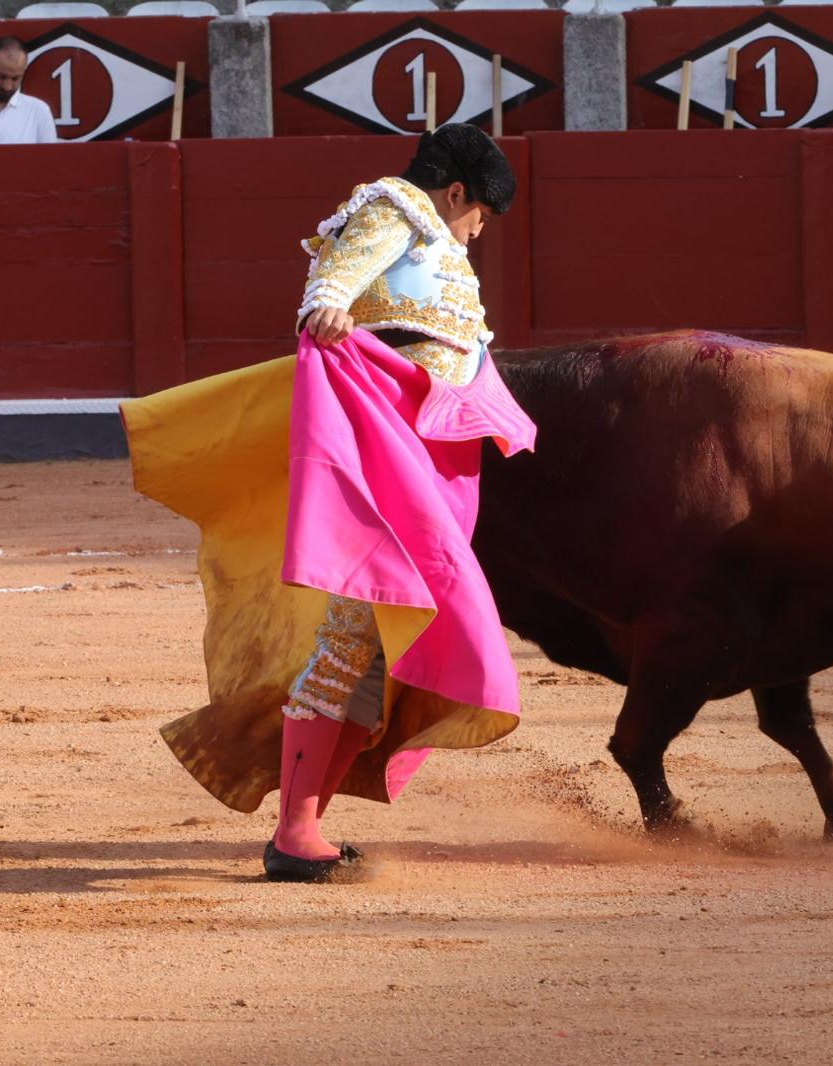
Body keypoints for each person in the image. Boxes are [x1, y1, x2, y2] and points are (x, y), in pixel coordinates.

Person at [121, 124, 537, 883]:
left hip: (424, 455)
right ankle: (292, 832)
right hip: (387, 451)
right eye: (480, 215)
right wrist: (329, 309)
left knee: (381, 646)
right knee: (355, 633)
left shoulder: (435, 241)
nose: (478, 232)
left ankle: (304, 824)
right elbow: (330, 287)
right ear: (456, 194)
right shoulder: (399, 207)